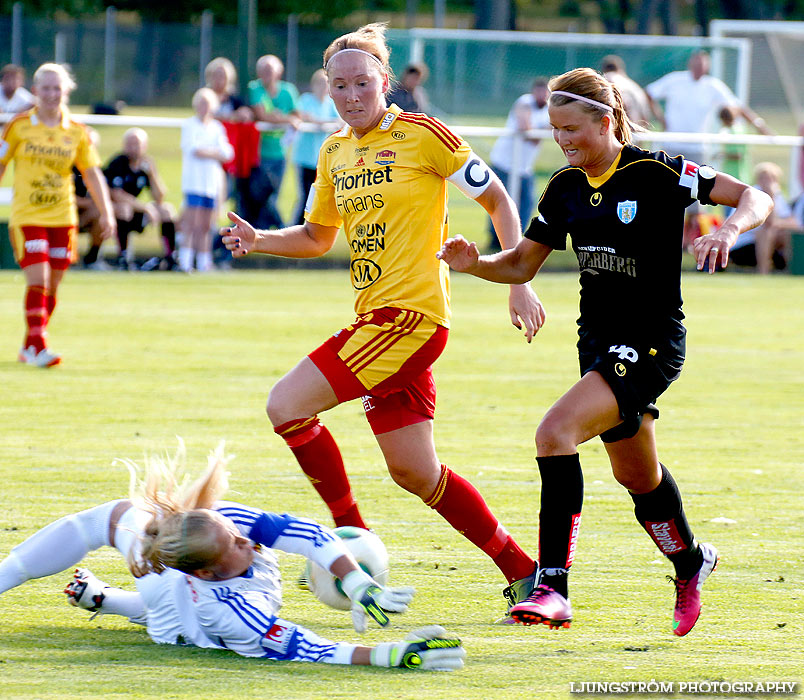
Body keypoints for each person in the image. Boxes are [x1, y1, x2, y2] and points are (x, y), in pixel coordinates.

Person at [221, 23, 546, 623]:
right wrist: (260, 238)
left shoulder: (422, 136)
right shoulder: (334, 151)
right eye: (338, 85)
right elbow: (319, 237)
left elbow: (498, 198)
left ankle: (349, 542)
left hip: (411, 320)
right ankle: (526, 573)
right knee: (416, 473)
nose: (349, 95)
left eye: (361, 83)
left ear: (385, 82)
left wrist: (516, 282)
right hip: (380, 322)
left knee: (285, 405)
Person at [437, 67, 773, 635]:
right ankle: (691, 562)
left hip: (651, 343)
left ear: (608, 120)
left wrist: (728, 229)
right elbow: (521, 263)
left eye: (571, 128)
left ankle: (552, 587)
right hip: (596, 344)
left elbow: (754, 195)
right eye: (554, 129)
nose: (562, 140)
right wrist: (476, 266)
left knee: (554, 433)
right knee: (637, 477)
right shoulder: (564, 189)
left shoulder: (658, 171)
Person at [0, 442, 465, 671]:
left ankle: (98, 597)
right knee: (172, 615)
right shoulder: (233, 611)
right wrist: (390, 656)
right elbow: (307, 647)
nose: (247, 541)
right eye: (237, 546)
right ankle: (113, 601)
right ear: (207, 571)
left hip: (178, 584)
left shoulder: (220, 521)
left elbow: (308, 533)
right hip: (181, 620)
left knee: (116, 517)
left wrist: (358, 582)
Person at [0, 63, 116, 367]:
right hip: (28, 215)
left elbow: (93, 175)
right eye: (46, 88)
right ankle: (39, 347)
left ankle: (29, 346)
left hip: (63, 217)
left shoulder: (76, 132)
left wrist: (107, 213)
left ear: (66, 92)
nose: (52, 94)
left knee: (52, 285)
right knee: (39, 277)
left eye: (57, 88)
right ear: (36, 91)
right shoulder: (19, 125)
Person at [488, 78, 550, 250]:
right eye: (539, 91)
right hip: (505, 163)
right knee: (498, 202)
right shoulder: (524, 102)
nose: (542, 95)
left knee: (528, 203)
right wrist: (541, 131)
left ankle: (515, 240)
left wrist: (538, 132)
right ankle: (495, 240)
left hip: (524, 167)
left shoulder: (548, 111)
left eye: (545, 92)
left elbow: (538, 135)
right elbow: (526, 129)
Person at [104, 127, 178, 271]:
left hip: (137, 211)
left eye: (136, 144)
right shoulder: (118, 163)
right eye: (129, 144)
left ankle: (171, 258)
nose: (132, 148)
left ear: (144, 146)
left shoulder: (146, 165)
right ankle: (123, 258)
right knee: (124, 209)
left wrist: (152, 174)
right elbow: (117, 195)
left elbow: (160, 197)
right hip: (119, 212)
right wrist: (146, 208)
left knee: (167, 210)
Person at [179, 88, 234, 272]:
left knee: (205, 225)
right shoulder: (190, 125)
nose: (204, 108)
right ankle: (185, 261)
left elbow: (227, 152)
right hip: (193, 183)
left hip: (210, 184)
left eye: (207, 104)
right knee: (191, 224)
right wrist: (214, 153)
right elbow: (193, 149)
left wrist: (210, 152)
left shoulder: (217, 127)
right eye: (201, 103)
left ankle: (204, 262)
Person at [247, 55, 301, 230]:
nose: (266, 73)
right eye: (263, 70)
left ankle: (267, 230)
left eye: (270, 69)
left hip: (280, 151)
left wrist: (281, 118)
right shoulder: (254, 88)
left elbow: (297, 115)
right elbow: (262, 115)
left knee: (274, 193)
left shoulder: (288, 91)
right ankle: (279, 226)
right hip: (258, 152)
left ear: (279, 71)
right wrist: (284, 119)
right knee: (261, 193)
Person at [730, 162, 799, 274]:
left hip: (767, 247)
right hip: (743, 248)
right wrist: (771, 196)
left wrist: (779, 224)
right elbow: (769, 222)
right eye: (764, 178)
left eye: (772, 178)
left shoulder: (778, 197)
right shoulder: (753, 195)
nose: (768, 181)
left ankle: (790, 268)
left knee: (784, 233)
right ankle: (763, 272)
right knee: (766, 232)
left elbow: (794, 222)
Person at [292, 69, 341, 225]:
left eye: (326, 83)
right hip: (305, 158)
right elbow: (302, 115)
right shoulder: (306, 99)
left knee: (319, 195)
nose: (322, 87)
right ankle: (296, 225)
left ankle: (313, 225)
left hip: (322, 160)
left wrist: (323, 122)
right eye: (319, 83)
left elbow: (340, 121)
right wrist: (321, 122)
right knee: (305, 194)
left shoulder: (330, 103)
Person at [599, 55, 652, 128]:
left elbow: (623, 102)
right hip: (638, 127)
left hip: (624, 127)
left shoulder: (608, 79)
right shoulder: (633, 85)